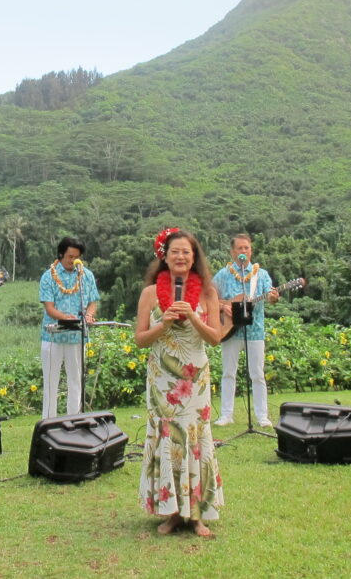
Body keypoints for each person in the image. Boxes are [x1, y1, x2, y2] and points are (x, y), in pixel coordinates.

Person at [136, 228, 223, 538]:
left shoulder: (208, 292)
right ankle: (172, 512)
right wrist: (165, 323)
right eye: (175, 252)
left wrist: (193, 316)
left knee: (196, 442)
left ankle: (197, 515)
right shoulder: (149, 293)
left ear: (194, 256)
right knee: (168, 441)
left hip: (195, 380)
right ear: (165, 256)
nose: (181, 257)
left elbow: (215, 337)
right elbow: (140, 340)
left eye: (186, 252)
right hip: (162, 382)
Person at [211, 234, 279, 428]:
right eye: (239, 249)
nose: (243, 252)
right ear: (232, 252)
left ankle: (262, 416)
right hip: (229, 330)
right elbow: (208, 298)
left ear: (251, 251)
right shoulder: (223, 275)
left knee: (257, 374)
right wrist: (223, 307)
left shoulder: (261, 275)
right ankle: (226, 415)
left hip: (255, 330)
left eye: (246, 248)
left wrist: (274, 298)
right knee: (228, 373)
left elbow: (271, 298)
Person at [38, 236, 101, 418]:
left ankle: (74, 420)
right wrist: (66, 318)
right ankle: (49, 422)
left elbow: (92, 302)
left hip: (76, 337)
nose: (73, 261)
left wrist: (89, 314)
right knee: (51, 382)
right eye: (69, 257)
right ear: (60, 254)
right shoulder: (49, 276)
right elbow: (49, 308)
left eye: (76, 257)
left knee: (76, 380)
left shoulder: (86, 275)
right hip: (53, 336)